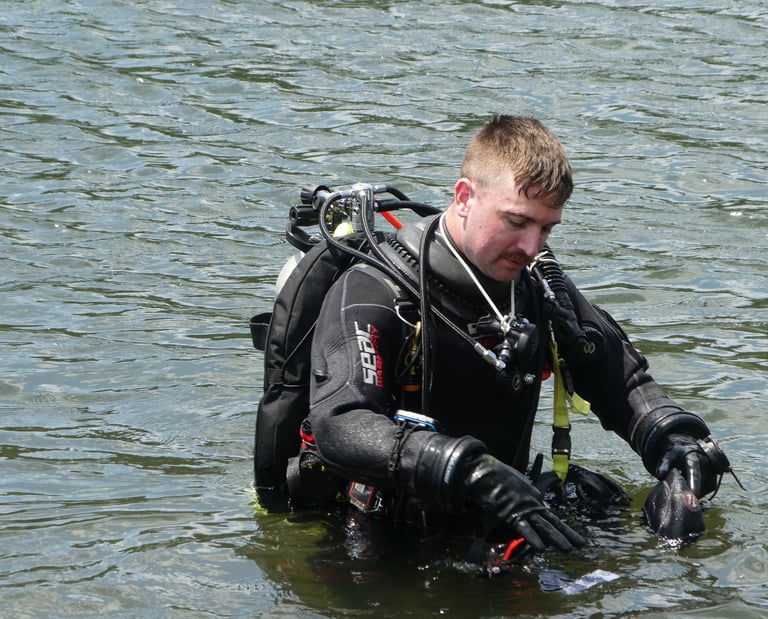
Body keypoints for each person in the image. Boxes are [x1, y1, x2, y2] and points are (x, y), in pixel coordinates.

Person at [301, 115, 734, 554]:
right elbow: (342, 423)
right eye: (516, 221)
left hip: (506, 518)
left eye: (546, 228)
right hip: (386, 540)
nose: (532, 247)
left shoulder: (536, 285)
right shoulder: (375, 289)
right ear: (464, 197)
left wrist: (673, 443)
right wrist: (471, 471)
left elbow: (620, 380)